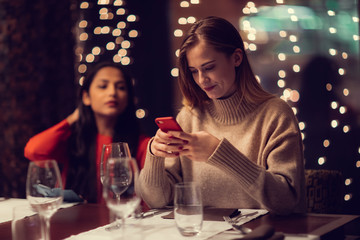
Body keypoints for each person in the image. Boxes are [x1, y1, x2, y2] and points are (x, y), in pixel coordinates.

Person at [135, 16, 306, 215]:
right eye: (194, 71)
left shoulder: (275, 114)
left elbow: (286, 200)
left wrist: (220, 153)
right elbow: (156, 201)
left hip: (262, 234)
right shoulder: (189, 118)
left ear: (236, 58)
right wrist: (154, 155)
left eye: (209, 68)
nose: (202, 79)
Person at [25, 62, 150, 203]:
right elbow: (34, 151)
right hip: (77, 222)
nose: (112, 93)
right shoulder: (75, 139)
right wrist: (72, 118)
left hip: (122, 220)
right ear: (86, 97)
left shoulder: (142, 144)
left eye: (120, 87)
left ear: (128, 99)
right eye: (103, 86)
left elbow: (149, 199)